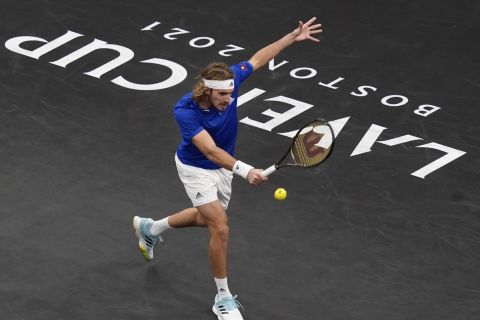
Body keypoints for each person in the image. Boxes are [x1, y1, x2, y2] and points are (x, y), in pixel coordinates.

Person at [133, 17, 323, 320]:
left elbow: (257, 59)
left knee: (205, 218)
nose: (229, 98)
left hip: (222, 169)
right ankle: (222, 299)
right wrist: (246, 170)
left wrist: (291, 37)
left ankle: (150, 228)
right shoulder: (185, 110)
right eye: (223, 95)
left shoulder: (229, 80)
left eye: (231, 93)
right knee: (220, 227)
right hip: (196, 168)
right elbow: (208, 150)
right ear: (207, 91)